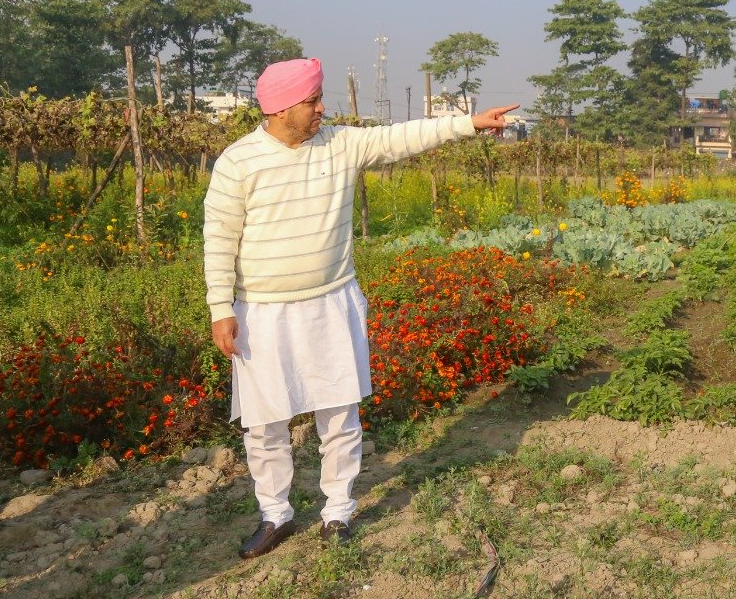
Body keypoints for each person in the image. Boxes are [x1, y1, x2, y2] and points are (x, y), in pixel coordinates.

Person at [204, 56, 516, 558]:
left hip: (331, 302)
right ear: (281, 108)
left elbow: (401, 137)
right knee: (264, 424)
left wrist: (468, 124)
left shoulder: (340, 144)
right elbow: (219, 239)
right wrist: (221, 307)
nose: (321, 108)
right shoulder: (238, 162)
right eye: (312, 101)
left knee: (339, 414)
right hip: (261, 311)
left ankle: (338, 511)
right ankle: (275, 514)